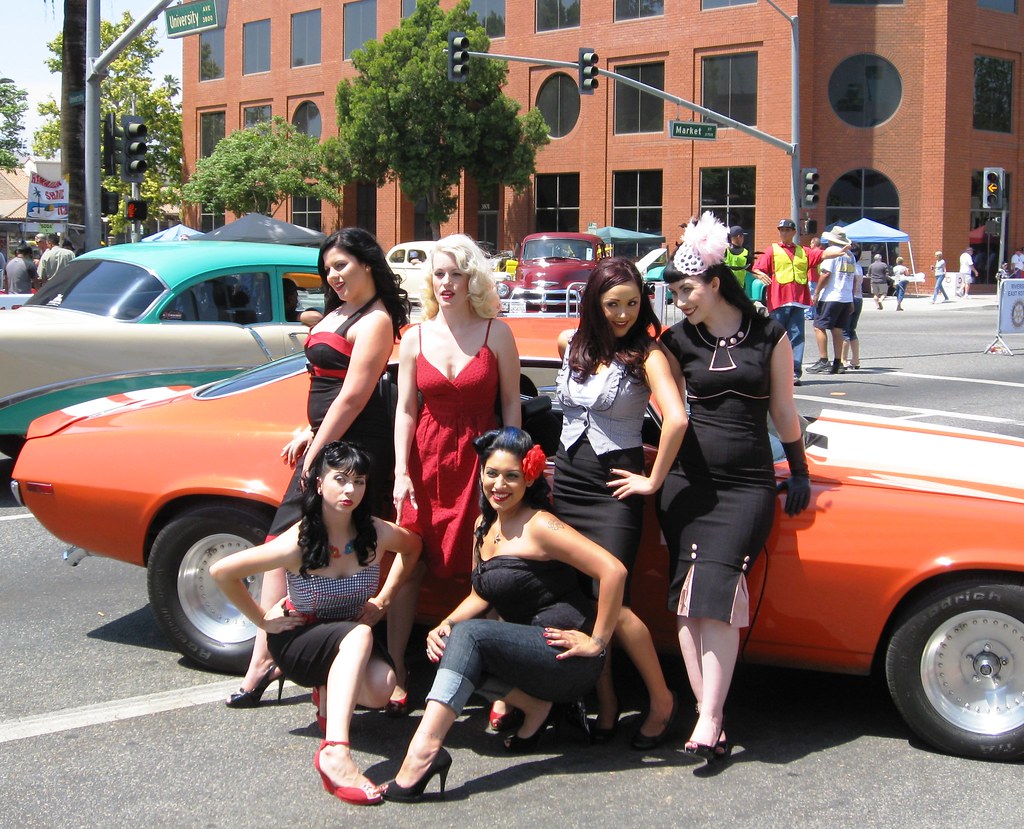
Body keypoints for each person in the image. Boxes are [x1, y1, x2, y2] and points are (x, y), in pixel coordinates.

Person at [383, 428, 626, 802]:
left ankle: (423, 753)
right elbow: (480, 594)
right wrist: (444, 624)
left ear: (529, 478)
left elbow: (613, 571)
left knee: (472, 635)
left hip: (565, 659)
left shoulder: (540, 525)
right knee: (451, 639)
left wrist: (597, 642)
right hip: (527, 654)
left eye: (511, 475)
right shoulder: (484, 527)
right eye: (491, 473)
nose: (499, 484)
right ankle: (535, 708)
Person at [228, 227, 411, 709]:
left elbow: (354, 394)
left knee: (339, 545)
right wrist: (309, 432)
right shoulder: (341, 312)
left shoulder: (376, 319)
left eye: (343, 266)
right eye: (328, 269)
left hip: (353, 447)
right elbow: (327, 384)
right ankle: (268, 656)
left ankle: (332, 658)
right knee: (281, 542)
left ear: (368, 264)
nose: (334, 276)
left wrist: (317, 447)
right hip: (327, 440)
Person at [657, 213, 811, 763]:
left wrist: (798, 468)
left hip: (747, 484)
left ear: (715, 283)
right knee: (686, 602)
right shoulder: (675, 341)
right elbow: (655, 398)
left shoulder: (770, 334)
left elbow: (785, 410)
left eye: (686, 290)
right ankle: (710, 718)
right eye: (674, 292)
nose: (679, 301)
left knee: (717, 593)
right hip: (686, 485)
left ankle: (709, 715)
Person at [210, 441, 422, 806]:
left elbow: (413, 548)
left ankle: (329, 693)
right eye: (340, 479)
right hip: (299, 638)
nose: (350, 490)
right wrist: (263, 620)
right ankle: (335, 753)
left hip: (348, 638)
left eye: (359, 481)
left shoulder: (373, 532)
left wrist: (383, 600)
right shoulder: (299, 541)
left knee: (382, 688)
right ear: (320, 484)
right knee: (357, 636)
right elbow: (222, 571)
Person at [553, 256, 685, 748]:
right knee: (583, 598)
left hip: (614, 489)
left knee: (615, 600)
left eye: (632, 303)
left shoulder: (647, 354)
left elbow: (676, 419)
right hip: (566, 481)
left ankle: (662, 699)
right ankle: (604, 703)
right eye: (613, 304)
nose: (624, 313)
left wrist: (652, 481)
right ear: (594, 302)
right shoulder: (571, 345)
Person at [388, 234, 521, 717]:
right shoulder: (414, 336)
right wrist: (401, 469)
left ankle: (498, 680)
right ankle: (398, 670)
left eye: (456, 274)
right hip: (426, 460)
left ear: (473, 279)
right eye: (439, 274)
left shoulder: (497, 333)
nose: (446, 283)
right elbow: (406, 410)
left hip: (482, 464)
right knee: (410, 563)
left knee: (489, 569)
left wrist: (513, 466)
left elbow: (511, 405)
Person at [751, 219, 847, 386]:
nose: (784, 232)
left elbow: (822, 255)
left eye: (788, 230)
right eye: (782, 230)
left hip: (798, 301)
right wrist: (760, 274)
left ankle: (794, 373)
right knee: (775, 337)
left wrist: (838, 252)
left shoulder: (803, 251)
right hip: (779, 301)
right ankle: (771, 372)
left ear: (794, 232)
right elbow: (756, 268)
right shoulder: (772, 250)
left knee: (797, 337)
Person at [807, 228, 859, 375]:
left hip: (831, 295)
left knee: (819, 326)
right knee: (837, 330)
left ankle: (823, 360)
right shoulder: (850, 255)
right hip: (845, 297)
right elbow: (853, 278)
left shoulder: (832, 252)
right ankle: (838, 362)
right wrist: (851, 298)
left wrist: (816, 292)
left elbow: (826, 274)